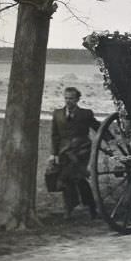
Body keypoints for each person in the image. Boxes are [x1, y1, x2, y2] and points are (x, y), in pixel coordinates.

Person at [49, 87, 100, 219]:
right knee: (69, 179)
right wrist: (53, 154)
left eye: (71, 98)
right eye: (66, 98)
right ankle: (73, 208)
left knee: (76, 177)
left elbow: (97, 128)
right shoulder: (57, 114)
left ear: (77, 99)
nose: (68, 101)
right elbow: (54, 135)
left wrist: (111, 140)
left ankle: (88, 208)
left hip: (81, 151)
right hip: (64, 152)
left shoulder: (86, 114)